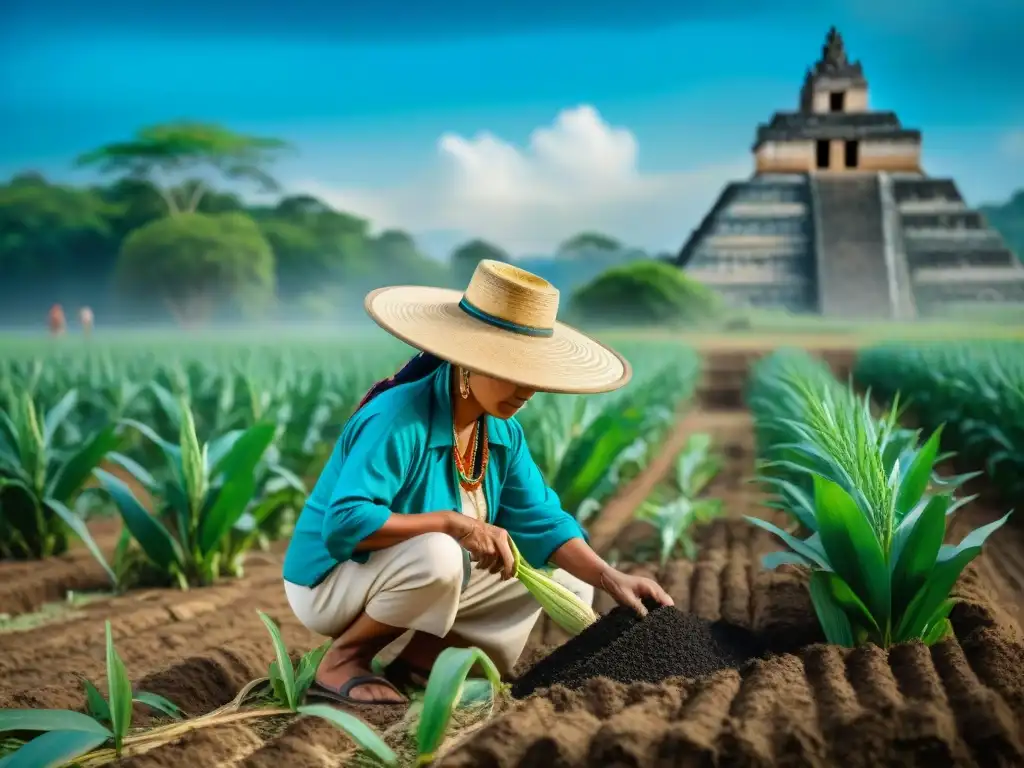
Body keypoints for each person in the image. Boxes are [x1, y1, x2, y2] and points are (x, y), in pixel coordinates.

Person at [282, 259, 674, 706]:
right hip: (332, 579)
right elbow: (346, 522)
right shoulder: (398, 418)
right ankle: (342, 662)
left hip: (411, 568)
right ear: (468, 362)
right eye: (513, 371)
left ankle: (423, 664)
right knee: (439, 552)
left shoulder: (500, 431)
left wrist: (610, 577)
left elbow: (541, 520)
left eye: (534, 375)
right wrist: (454, 523)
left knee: (565, 580)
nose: (527, 390)